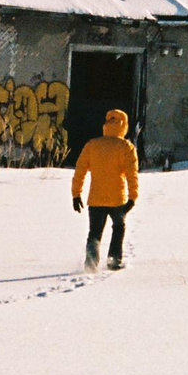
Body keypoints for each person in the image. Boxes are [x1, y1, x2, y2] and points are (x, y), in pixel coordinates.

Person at [70, 108, 139, 271]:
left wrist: (76, 194)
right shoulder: (126, 147)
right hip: (118, 199)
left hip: (96, 198)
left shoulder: (92, 145)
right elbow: (132, 174)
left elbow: (80, 170)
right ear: (124, 126)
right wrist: (132, 197)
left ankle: (91, 264)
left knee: (94, 232)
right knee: (119, 227)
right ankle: (114, 260)